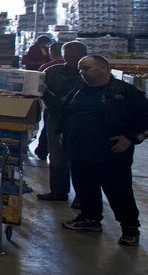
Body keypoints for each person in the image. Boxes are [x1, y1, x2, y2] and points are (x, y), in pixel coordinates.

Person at [59, 55, 145, 246]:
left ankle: (130, 228)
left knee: (118, 191)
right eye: (81, 69)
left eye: (87, 68)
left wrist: (130, 137)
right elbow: (66, 113)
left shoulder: (126, 92)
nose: (82, 72)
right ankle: (90, 219)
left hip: (110, 154)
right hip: (80, 152)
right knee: (85, 188)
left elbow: (144, 118)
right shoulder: (79, 90)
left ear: (104, 68)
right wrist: (63, 131)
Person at [36, 41, 87, 200]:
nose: (71, 59)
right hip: (56, 119)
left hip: (81, 122)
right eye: (68, 56)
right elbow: (40, 90)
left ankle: (83, 196)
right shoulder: (53, 71)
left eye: (75, 56)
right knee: (57, 158)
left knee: (80, 160)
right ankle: (58, 191)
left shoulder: (89, 72)